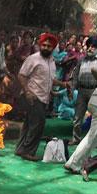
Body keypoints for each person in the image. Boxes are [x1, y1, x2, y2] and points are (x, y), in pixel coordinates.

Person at [15, 33, 69, 161]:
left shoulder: (52, 62)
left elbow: (50, 79)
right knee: (38, 124)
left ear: (53, 48)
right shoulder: (33, 59)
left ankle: (20, 149)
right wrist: (28, 92)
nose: (45, 47)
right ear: (40, 45)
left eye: (49, 46)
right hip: (33, 96)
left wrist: (63, 84)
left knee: (29, 123)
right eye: (43, 45)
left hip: (44, 98)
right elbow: (21, 75)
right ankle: (28, 152)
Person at [70, 37, 97, 145]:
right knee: (78, 116)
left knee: (96, 117)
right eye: (89, 46)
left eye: (93, 46)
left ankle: (93, 140)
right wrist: (72, 88)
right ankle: (76, 138)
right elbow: (75, 75)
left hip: (95, 91)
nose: (90, 48)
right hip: (82, 91)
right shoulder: (81, 60)